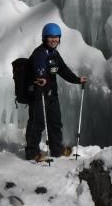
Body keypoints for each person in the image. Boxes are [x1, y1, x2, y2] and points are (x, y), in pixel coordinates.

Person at [25, 22, 88, 161]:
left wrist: (77, 80)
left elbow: (63, 70)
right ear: (44, 38)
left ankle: (56, 149)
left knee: (55, 122)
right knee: (37, 123)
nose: (54, 40)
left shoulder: (54, 54)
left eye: (56, 37)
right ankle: (31, 152)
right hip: (39, 94)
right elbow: (39, 69)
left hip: (51, 95)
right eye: (50, 37)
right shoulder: (39, 54)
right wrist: (41, 78)